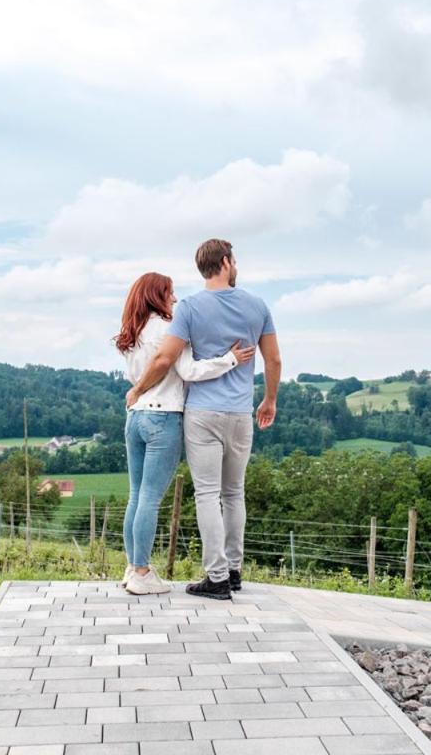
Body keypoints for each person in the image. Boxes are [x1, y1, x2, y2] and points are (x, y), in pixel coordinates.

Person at [126, 239, 281, 600]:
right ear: (226, 262)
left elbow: (165, 359)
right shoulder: (258, 306)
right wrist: (269, 399)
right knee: (234, 492)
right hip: (241, 412)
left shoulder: (190, 307)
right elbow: (273, 361)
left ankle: (217, 577)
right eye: (235, 260)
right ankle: (235, 569)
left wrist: (138, 389)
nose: (236, 265)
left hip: (202, 414)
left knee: (208, 494)